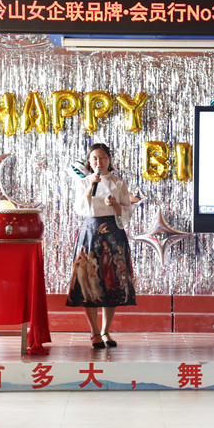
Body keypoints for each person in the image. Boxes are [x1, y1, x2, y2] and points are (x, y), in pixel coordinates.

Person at [66, 143, 136, 348]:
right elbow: (80, 209)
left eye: (103, 157)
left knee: (111, 282)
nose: (99, 162)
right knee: (89, 283)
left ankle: (106, 331)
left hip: (113, 234)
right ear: (89, 161)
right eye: (95, 158)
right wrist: (90, 187)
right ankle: (94, 331)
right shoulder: (84, 182)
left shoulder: (118, 182)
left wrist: (114, 205)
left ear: (109, 159)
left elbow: (127, 212)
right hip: (90, 233)